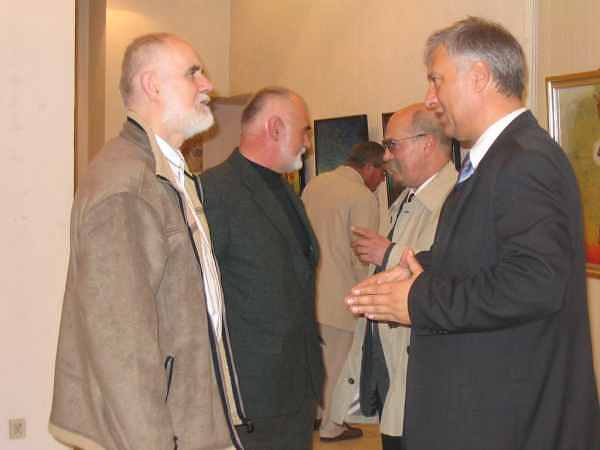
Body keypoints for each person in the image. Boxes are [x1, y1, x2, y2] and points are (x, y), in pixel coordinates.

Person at [347, 17, 600, 450]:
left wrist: (418, 299)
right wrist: (416, 268)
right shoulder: (496, 158)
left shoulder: (526, 160)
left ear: (479, 76)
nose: (430, 98)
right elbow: (483, 255)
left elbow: (535, 282)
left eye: (437, 80)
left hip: (510, 421)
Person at [49, 33, 246, 450]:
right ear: (153, 85)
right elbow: (121, 345)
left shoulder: (165, 174)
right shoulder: (129, 184)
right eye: (193, 73)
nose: (208, 84)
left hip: (184, 425)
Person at [200, 87, 324, 450]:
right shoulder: (215, 191)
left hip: (296, 387)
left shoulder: (286, 192)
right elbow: (197, 295)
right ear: (275, 128)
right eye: (304, 131)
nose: (308, 144)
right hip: (250, 395)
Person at [331, 103, 456, 450]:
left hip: (422, 371)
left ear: (427, 143)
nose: (386, 156)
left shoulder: (457, 201)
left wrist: (387, 253)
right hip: (389, 359)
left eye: (392, 145)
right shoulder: (404, 201)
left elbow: (448, 275)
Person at [301, 141, 386, 442]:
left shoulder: (315, 185)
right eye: (382, 173)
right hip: (340, 296)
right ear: (369, 167)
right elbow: (363, 255)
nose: (382, 181)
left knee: (315, 362)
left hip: (308, 292)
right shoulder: (362, 196)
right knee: (337, 365)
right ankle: (331, 426)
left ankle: (314, 417)